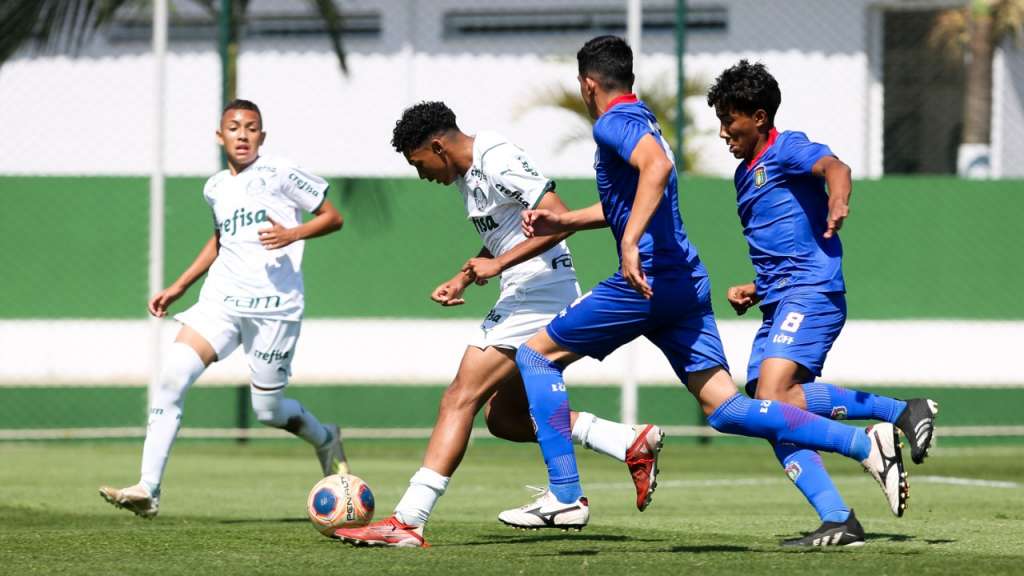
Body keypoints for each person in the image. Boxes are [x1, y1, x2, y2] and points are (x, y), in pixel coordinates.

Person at [500, 35, 908, 537]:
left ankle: (565, 496)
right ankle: (866, 445)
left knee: (535, 357)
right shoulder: (645, 120)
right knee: (727, 409)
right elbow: (628, 199)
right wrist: (562, 224)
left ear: (588, 84)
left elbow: (657, 170)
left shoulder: (613, 123)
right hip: (685, 282)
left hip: (645, 279)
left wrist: (629, 244)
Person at [334, 101, 663, 548]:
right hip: (530, 288)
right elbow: (510, 232)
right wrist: (465, 275)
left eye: (419, 164)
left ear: (437, 146)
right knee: (505, 418)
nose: (421, 174)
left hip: (537, 290)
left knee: (459, 398)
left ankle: (409, 519)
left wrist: (502, 265)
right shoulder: (468, 176)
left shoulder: (497, 156)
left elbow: (556, 217)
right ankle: (627, 441)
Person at [706, 59, 939, 545]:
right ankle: (839, 514)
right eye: (721, 121)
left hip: (811, 293)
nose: (724, 132)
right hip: (780, 300)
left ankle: (879, 432)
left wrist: (838, 198)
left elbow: (836, 167)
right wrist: (757, 287)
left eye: (730, 120)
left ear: (760, 116)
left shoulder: (786, 148)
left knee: (771, 398)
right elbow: (783, 240)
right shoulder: (743, 175)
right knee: (774, 415)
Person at [99, 99, 347, 518]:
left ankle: (326, 438)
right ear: (220, 136)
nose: (243, 134)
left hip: (275, 308)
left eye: (252, 128)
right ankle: (148, 488)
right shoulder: (214, 187)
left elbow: (333, 217)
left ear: (262, 137)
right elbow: (219, 240)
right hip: (221, 303)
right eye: (234, 127)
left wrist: (293, 233)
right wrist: (179, 286)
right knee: (172, 376)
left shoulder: (280, 172)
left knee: (268, 410)